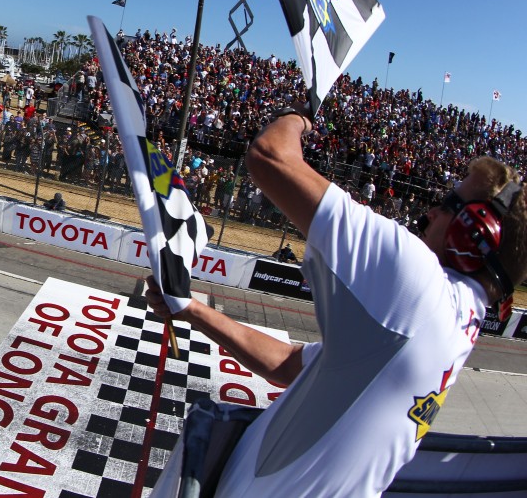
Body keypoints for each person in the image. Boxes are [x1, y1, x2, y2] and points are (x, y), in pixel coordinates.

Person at [147, 104, 526, 497]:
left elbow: (269, 156)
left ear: (474, 233)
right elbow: (291, 365)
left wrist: (299, 117)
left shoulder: (421, 287)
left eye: (448, 204)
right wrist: (191, 308)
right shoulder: (459, 321)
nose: (430, 212)